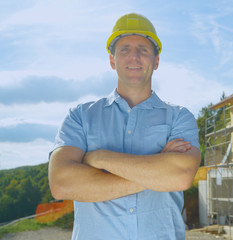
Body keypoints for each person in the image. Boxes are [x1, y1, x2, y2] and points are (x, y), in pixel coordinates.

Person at [48, 13, 201, 240]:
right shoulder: (80, 117)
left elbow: (180, 176)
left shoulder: (179, 117)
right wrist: (158, 173)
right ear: (112, 60)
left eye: (143, 50)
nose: (134, 57)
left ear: (156, 61)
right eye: (125, 50)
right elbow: (61, 183)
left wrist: (99, 158)